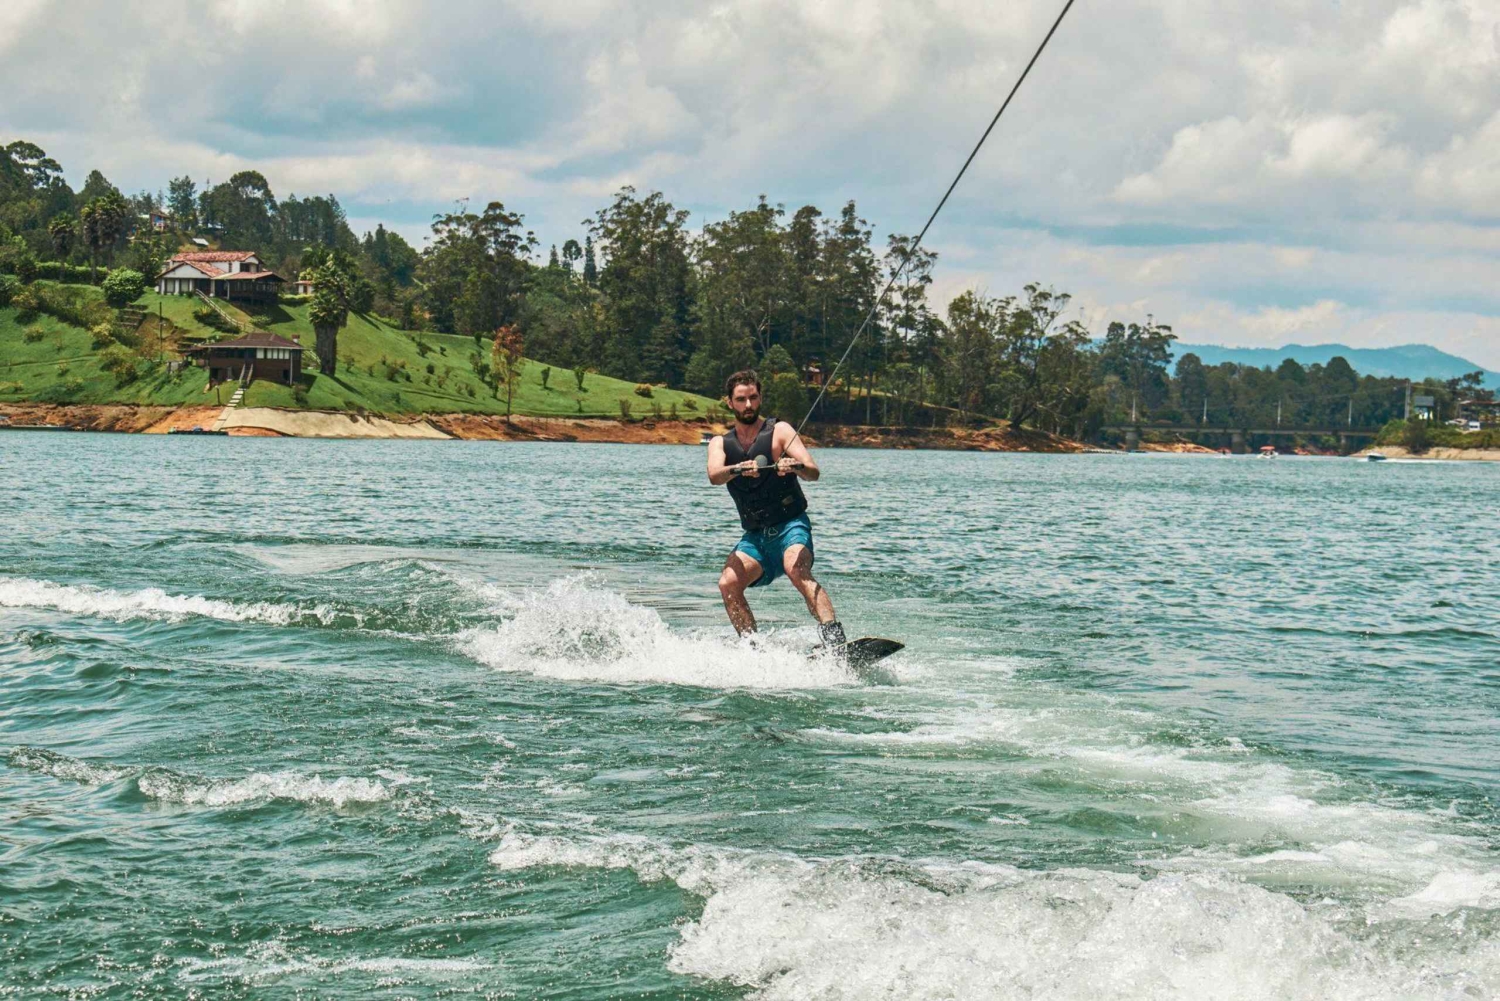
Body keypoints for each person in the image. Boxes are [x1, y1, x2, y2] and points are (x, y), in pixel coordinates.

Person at [706, 369, 846, 650]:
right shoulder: (720, 443)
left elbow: (813, 471)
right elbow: (714, 475)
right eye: (741, 399)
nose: (748, 405)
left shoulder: (780, 431)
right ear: (729, 402)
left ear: (760, 398)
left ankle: (835, 640)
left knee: (795, 568)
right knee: (727, 583)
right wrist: (737, 469)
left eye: (753, 398)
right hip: (755, 538)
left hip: (790, 525)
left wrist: (794, 466)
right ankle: (754, 649)